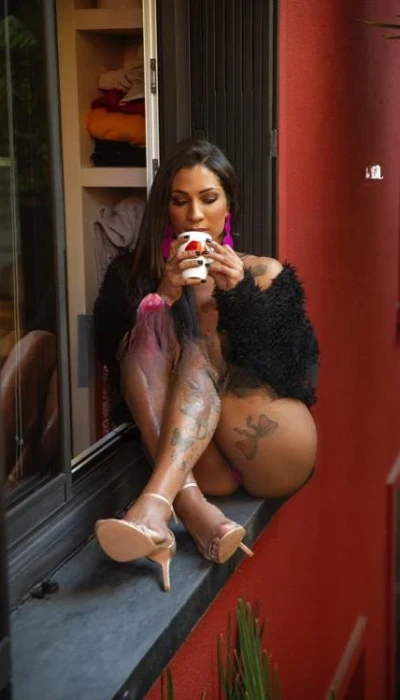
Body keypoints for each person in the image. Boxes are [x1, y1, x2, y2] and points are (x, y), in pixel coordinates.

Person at [93, 138, 319, 591]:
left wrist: (240, 297)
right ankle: (196, 514)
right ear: (165, 209)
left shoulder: (262, 272)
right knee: (150, 331)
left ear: (229, 204)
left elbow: (297, 376)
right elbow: (116, 363)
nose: (195, 215)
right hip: (198, 461)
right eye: (180, 201)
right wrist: (164, 296)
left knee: (198, 349)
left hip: (271, 442)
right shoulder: (133, 277)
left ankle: (159, 506)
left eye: (209, 199)